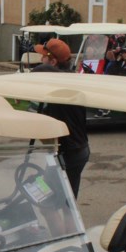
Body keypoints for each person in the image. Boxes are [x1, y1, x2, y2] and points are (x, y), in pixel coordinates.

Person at [31, 38, 90, 196]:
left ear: (53, 61)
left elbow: (40, 70)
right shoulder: (65, 78)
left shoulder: (64, 80)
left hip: (69, 152)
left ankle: (65, 220)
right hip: (72, 150)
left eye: (43, 57)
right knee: (65, 199)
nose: (40, 60)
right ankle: (68, 218)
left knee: (47, 200)